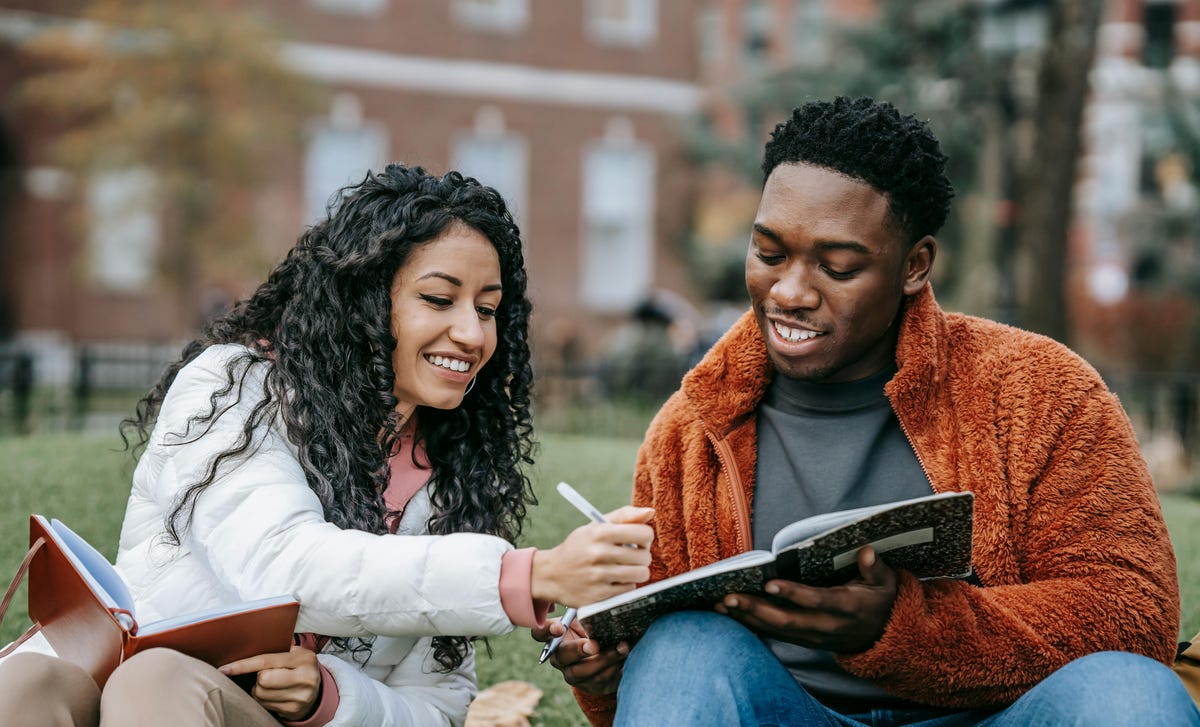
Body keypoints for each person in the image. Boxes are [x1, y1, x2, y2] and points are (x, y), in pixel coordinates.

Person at [534, 96, 1196, 726]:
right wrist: (601, 665)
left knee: (1134, 691)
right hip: (786, 709)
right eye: (768, 252)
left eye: (839, 267)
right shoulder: (692, 426)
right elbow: (663, 690)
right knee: (679, 646)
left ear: (914, 265)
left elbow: (1130, 612)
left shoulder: (1041, 391)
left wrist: (904, 629)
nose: (789, 291)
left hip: (996, 713)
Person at [0, 164, 654, 726]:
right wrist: (526, 574)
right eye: (438, 298)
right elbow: (285, 564)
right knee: (26, 685)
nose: (471, 332)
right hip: (103, 674)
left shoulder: (451, 473)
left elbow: (438, 706)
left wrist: (330, 694)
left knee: (158, 682)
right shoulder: (234, 387)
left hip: (196, 702)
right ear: (364, 300)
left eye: (488, 308)